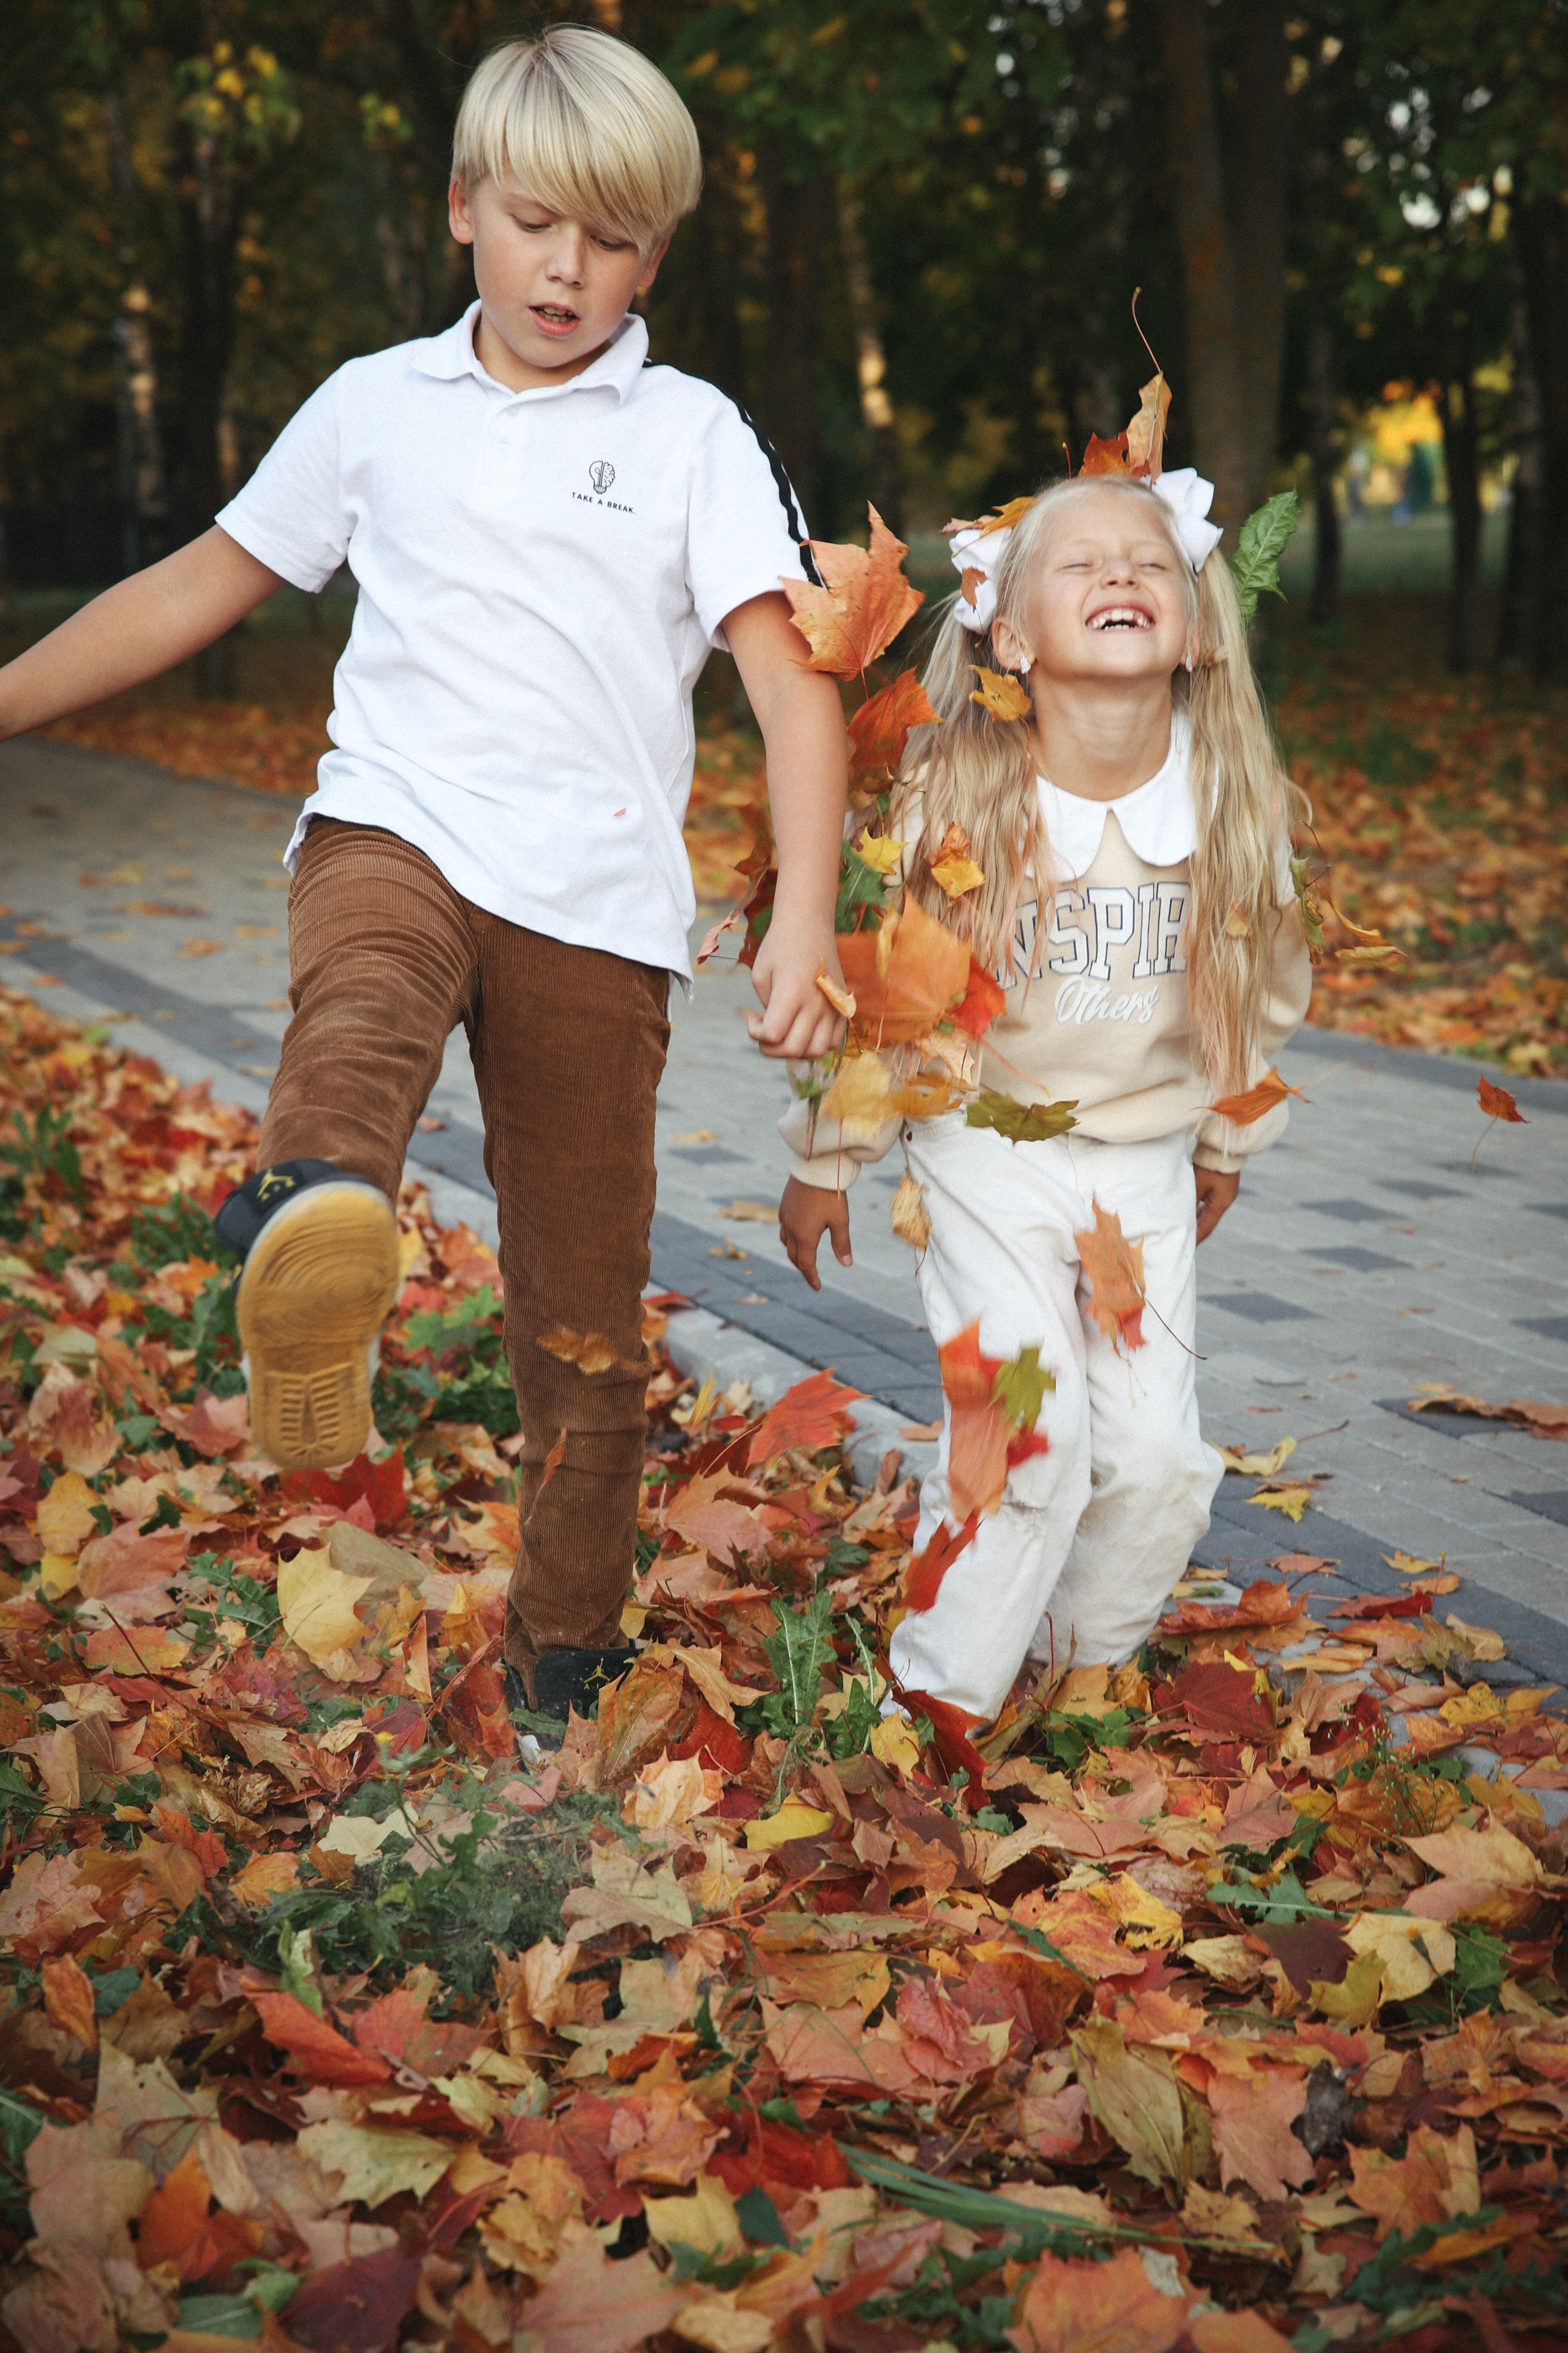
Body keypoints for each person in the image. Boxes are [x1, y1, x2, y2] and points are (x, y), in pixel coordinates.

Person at [0, 26, 848, 1726]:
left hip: (599, 915)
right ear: (464, 206)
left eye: (614, 241)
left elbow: (786, 682)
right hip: (395, 825)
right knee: (365, 994)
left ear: (656, 255)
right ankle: (310, 1211)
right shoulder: (374, 405)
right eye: (539, 221)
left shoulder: (692, 434)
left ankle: (561, 1651)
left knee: (583, 1319)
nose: (570, 267)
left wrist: (809, 913)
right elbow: (191, 588)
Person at [777, 469, 1312, 1724]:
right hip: (981, 1156)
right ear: (1008, 635)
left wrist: (1232, 1129)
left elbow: (1262, 988)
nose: (1120, 573)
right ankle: (939, 1697)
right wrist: (827, 1155)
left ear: (1191, 622)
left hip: (1140, 1164)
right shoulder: (961, 798)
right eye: (1080, 564)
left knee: (1154, 1458)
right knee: (1027, 1434)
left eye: (1147, 560)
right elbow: (897, 995)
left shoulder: (1231, 803)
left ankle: (1085, 1662)